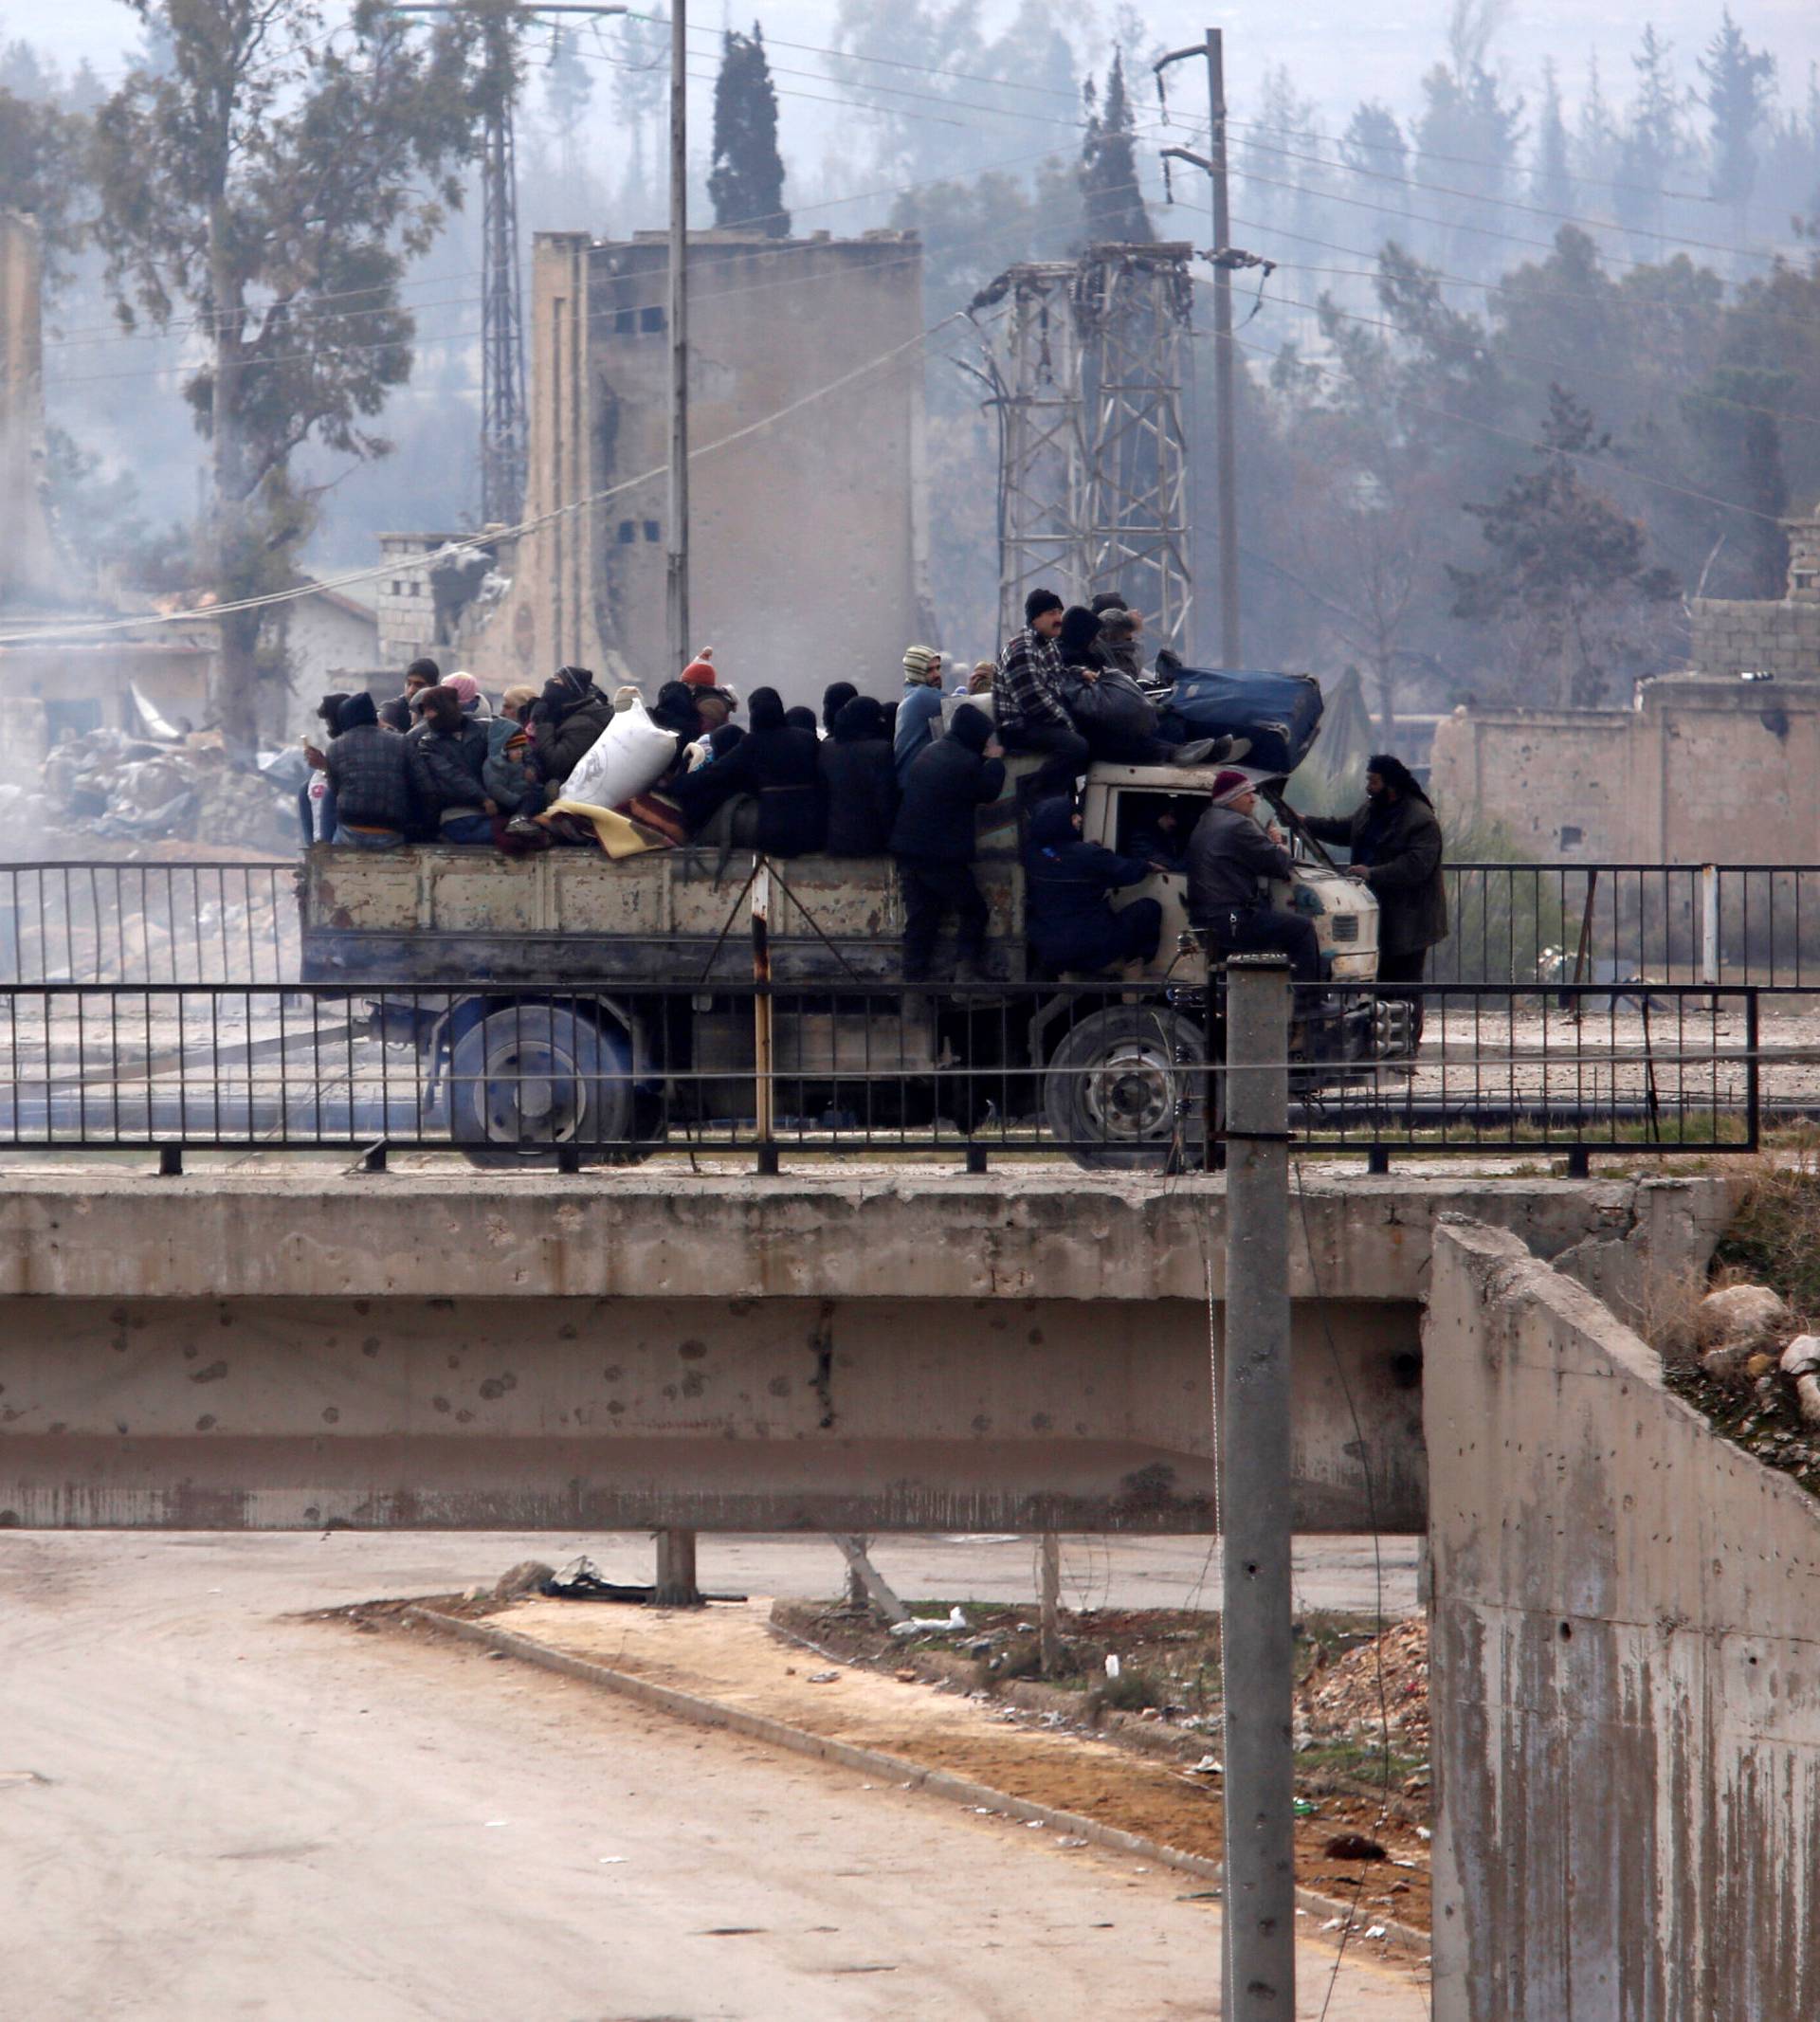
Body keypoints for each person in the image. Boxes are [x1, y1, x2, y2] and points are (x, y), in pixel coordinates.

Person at [1302, 754, 1447, 1038]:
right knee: (1381, 982)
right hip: (1376, 911)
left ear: (1390, 784)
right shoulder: (1371, 810)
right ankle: (1381, 1041)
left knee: (1404, 984)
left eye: (1373, 780)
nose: (1368, 786)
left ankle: (1405, 1043)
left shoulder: (1420, 820)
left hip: (1410, 918)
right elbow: (1346, 829)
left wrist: (1373, 873)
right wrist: (1306, 823)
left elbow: (1415, 866)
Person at [889, 702, 1005, 983]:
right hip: (939, 857)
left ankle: (913, 992)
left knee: (921, 920)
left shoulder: (930, 751)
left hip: (908, 851)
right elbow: (988, 791)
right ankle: (967, 973)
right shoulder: (964, 762)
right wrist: (996, 760)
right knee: (974, 910)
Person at [1185, 768, 1320, 981]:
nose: (1253, 799)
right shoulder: (1237, 824)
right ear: (1232, 798)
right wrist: (1278, 845)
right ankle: (1306, 1002)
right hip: (1231, 919)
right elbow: (1278, 863)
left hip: (1207, 919)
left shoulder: (1208, 820)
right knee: (1301, 929)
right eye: (1246, 794)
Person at [670, 686, 826, 855]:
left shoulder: (753, 743)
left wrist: (675, 785)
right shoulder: (806, 739)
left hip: (774, 837)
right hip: (814, 833)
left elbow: (715, 773)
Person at [1024, 796, 1163, 975]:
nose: (1079, 819)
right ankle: (1129, 968)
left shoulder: (1032, 852)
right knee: (1149, 909)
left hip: (1048, 947)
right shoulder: (1089, 855)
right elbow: (1126, 871)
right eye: (1073, 816)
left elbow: (1059, 858)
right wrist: (1147, 865)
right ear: (1059, 822)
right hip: (1089, 946)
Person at [992, 589, 1089, 788]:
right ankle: (1036, 791)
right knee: (1076, 746)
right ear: (1035, 618)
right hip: (1019, 727)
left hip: (1038, 720)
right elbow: (1034, 702)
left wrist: (1081, 673)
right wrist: (1068, 723)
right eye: (1052, 613)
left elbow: (1058, 675)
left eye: (1060, 613)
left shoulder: (1047, 644)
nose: (1059, 619)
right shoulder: (1022, 648)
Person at [323, 691, 413, 848]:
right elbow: (420, 783)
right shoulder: (402, 741)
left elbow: (335, 789)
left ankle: (325, 851)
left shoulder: (335, 746)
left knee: (328, 797)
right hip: (391, 833)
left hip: (350, 832)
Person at [406, 684, 494, 842]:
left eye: (429, 710)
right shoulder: (428, 744)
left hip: (492, 808)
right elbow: (450, 775)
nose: (426, 716)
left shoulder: (482, 730)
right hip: (457, 814)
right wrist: (483, 798)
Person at [819, 694, 899, 855]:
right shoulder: (881, 750)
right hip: (871, 841)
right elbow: (885, 801)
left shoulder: (826, 749)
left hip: (836, 840)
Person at [528, 665, 613, 794]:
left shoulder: (583, 725)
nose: (550, 683)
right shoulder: (563, 716)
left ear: (569, 689)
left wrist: (544, 722)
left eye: (557, 680)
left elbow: (555, 764)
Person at [299, 692, 349, 845]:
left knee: (324, 794)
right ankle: (313, 848)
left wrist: (324, 766)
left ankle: (324, 849)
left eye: (329, 722)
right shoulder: (338, 745)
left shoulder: (352, 744)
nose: (329, 727)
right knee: (306, 790)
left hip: (354, 816)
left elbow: (350, 779)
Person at [893, 644, 946, 781]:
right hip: (917, 783)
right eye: (929, 670)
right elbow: (964, 706)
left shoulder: (910, 694)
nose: (937, 675)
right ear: (916, 673)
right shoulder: (922, 696)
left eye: (938, 668)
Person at [379, 657, 439, 733]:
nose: (411, 690)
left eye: (419, 685)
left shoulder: (439, 712)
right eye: (409, 684)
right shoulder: (392, 709)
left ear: (432, 687)